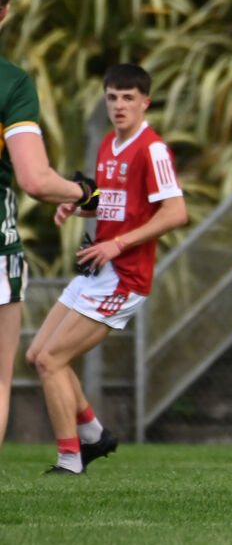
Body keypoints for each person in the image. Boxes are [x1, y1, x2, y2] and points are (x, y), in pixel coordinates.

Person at [25, 63, 187, 474]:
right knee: (37, 355)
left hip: (126, 278)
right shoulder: (108, 145)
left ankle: (70, 458)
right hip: (98, 268)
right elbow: (114, 202)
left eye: (129, 98)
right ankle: (96, 435)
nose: (119, 105)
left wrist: (118, 244)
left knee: (51, 361)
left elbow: (175, 213)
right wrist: (78, 204)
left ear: (145, 102)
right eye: (113, 97)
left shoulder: (152, 149)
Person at [0, 0, 100, 449]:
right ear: (5, 12)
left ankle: (88, 436)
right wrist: (84, 194)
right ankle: (86, 438)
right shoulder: (12, 83)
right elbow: (36, 180)